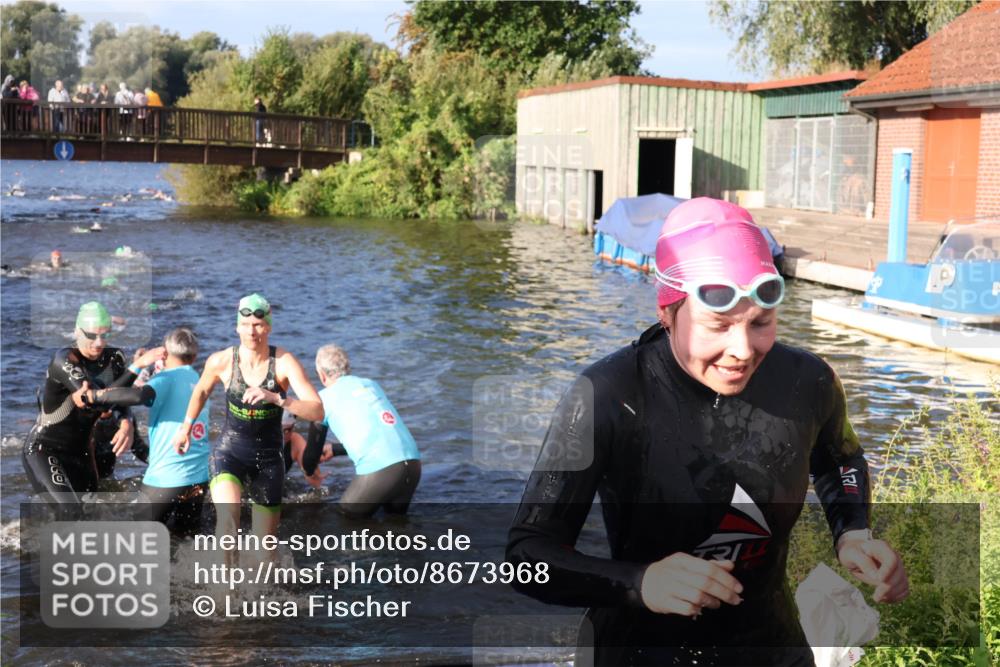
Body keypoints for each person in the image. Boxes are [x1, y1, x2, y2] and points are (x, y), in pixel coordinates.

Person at [506, 198, 909, 666]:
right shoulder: (606, 396)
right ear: (667, 311)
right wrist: (641, 582)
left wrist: (852, 532)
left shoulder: (808, 381)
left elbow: (839, 458)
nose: (742, 350)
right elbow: (527, 556)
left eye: (760, 323)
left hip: (770, 646)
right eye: (717, 325)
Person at [172, 294, 323, 552]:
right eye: (246, 325)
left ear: (269, 327)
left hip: (269, 460)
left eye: (258, 325)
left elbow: (317, 411)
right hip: (229, 453)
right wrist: (185, 428)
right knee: (227, 525)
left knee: (266, 549)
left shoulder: (284, 363)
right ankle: (225, 580)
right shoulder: (221, 361)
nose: (252, 332)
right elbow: (201, 391)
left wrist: (277, 398)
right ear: (237, 327)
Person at [21, 302, 163, 516]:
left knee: (92, 513)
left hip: (82, 452)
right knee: (69, 511)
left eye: (105, 335)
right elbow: (98, 400)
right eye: (92, 336)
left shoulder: (114, 358)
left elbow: (118, 396)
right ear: (77, 331)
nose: (99, 343)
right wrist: (138, 366)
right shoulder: (64, 360)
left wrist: (126, 422)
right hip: (45, 449)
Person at [307, 344, 421, 518]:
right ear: (347, 368)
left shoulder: (321, 400)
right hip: (413, 464)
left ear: (321, 375)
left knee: (346, 518)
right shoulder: (371, 385)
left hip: (382, 471)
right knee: (397, 524)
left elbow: (311, 456)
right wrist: (335, 450)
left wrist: (309, 472)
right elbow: (378, 433)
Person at [133, 327, 212, 536]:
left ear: (164, 353)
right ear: (194, 356)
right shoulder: (199, 380)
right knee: (185, 539)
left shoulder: (164, 379)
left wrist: (95, 396)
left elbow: (136, 395)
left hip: (165, 478)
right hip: (198, 478)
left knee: (137, 541)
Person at [282, 410, 333, 489]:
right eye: (277, 430)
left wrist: (312, 470)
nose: (282, 436)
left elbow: (316, 483)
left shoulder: (295, 442)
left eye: (287, 430)